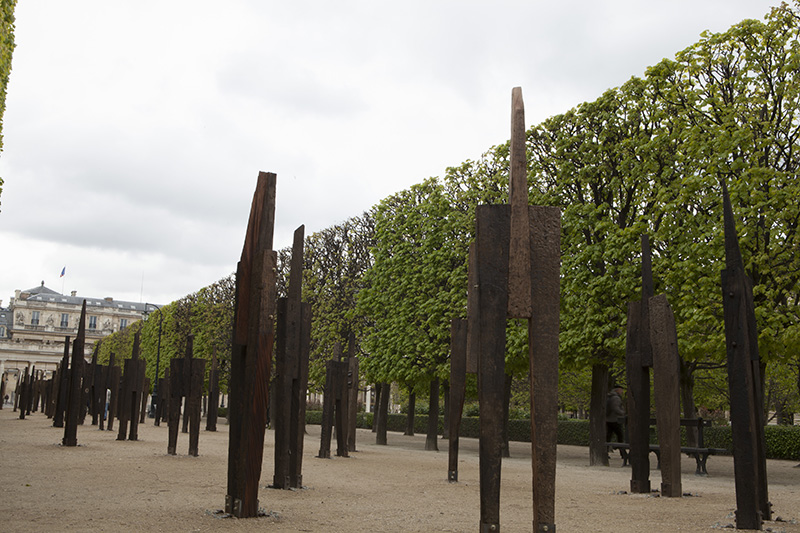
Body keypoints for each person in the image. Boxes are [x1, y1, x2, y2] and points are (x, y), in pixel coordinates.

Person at [606, 384, 627, 461]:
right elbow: (616, 408)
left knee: (608, 436)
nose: (622, 392)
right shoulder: (616, 398)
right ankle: (623, 453)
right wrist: (623, 413)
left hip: (609, 419)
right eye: (621, 390)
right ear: (617, 390)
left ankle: (606, 451)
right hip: (615, 420)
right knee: (620, 436)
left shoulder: (610, 397)